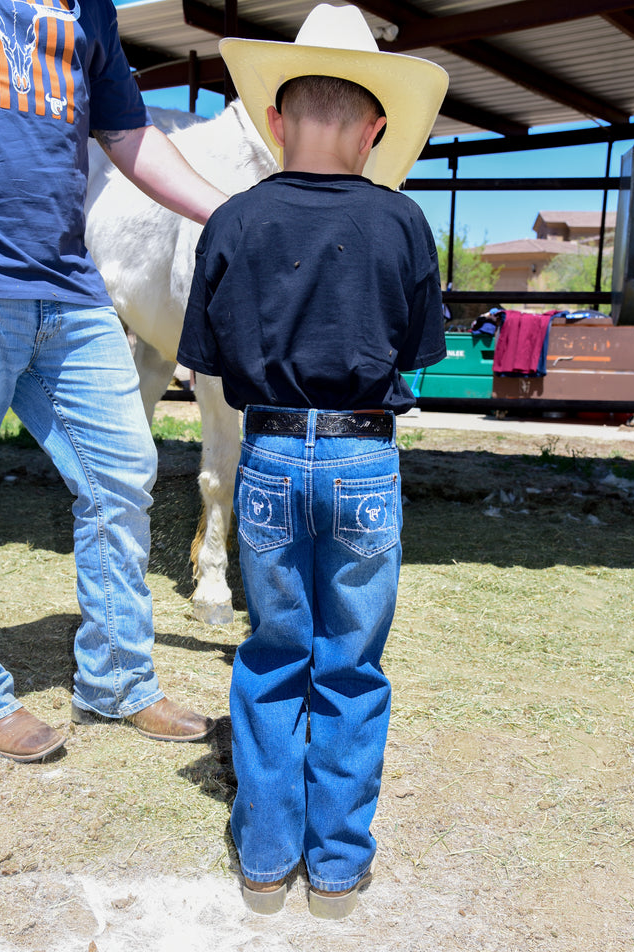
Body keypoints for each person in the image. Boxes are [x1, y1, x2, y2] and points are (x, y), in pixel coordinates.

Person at [177, 3, 449, 919]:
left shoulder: (233, 221)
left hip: (267, 459)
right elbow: (417, 351)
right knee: (352, 662)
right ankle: (336, 869)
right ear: (375, 131)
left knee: (271, 653)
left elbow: (203, 358)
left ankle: (263, 858)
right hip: (364, 459)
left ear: (275, 120)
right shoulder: (403, 223)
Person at [0, 0, 227, 763]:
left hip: (71, 289)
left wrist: (231, 211)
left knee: (122, 477)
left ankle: (117, 681)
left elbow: (131, 134)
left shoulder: (89, 9)